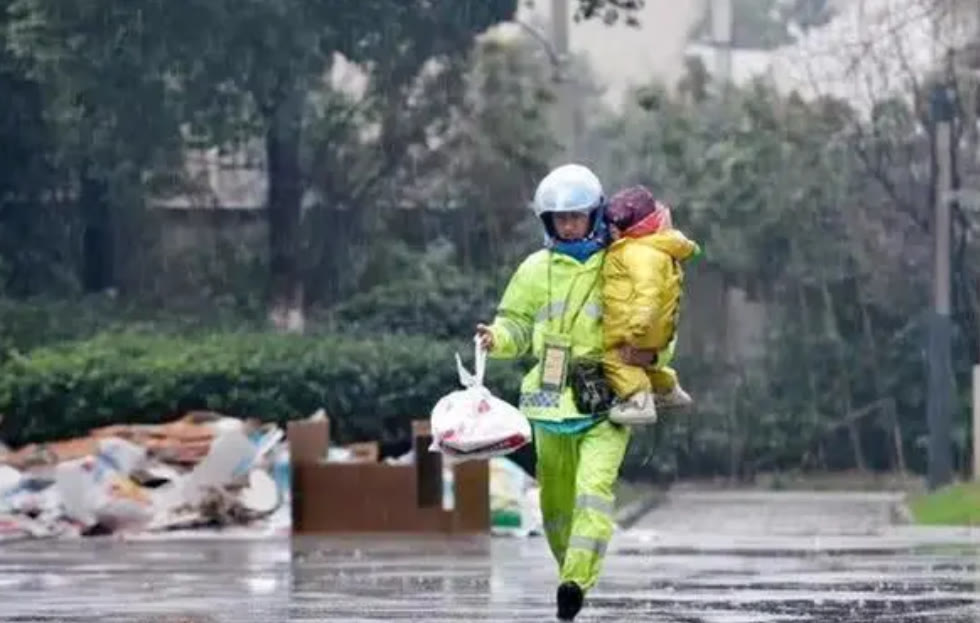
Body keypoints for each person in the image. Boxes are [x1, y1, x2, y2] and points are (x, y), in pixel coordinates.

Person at [475, 163, 642, 621]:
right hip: (550, 404)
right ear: (547, 222)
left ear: (596, 214)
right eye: (559, 218)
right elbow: (516, 325)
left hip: (608, 400)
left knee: (593, 490)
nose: (568, 224)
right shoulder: (533, 269)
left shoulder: (624, 265)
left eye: (576, 215)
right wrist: (497, 337)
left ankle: (574, 582)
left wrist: (650, 365)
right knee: (554, 503)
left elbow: (656, 323)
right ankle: (569, 569)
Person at [602, 185, 700, 425]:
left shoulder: (639, 252)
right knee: (644, 366)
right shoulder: (659, 247)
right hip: (656, 329)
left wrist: (635, 333)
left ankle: (639, 402)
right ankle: (669, 390)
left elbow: (648, 294)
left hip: (639, 328)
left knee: (613, 361)